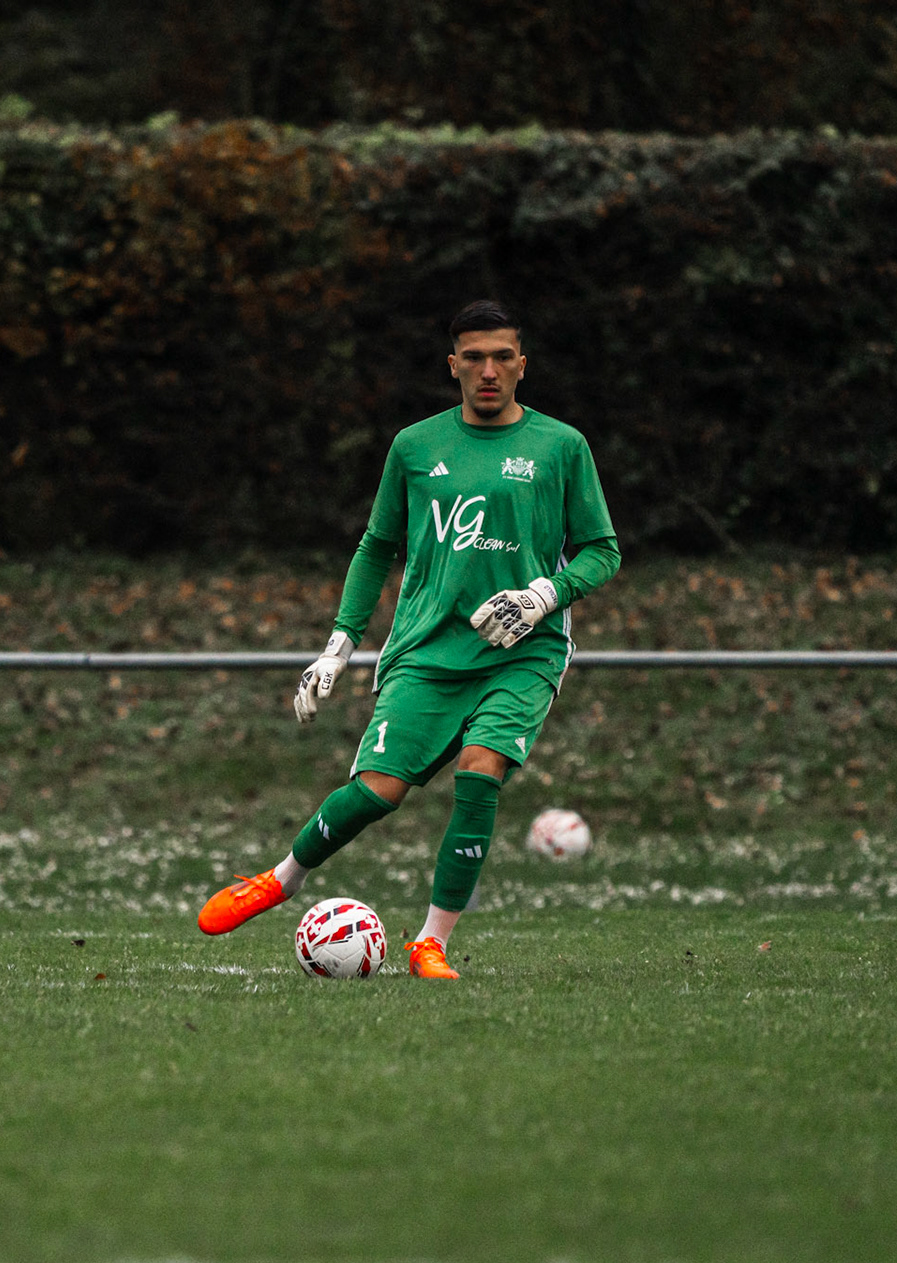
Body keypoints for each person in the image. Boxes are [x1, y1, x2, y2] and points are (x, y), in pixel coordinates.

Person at [196, 299, 621, 978]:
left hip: (521, 649)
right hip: (426, 648)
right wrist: (339, 646)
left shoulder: (561, 447)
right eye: (474, 357)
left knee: (480, 774)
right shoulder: (415, 446)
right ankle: (282, 879)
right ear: (453, 365)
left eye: (502, 356)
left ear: (522, 365)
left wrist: (543, 595)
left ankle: (431, 942)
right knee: (377, 791)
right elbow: (375, 547)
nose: (489, 370)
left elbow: (602, 551)